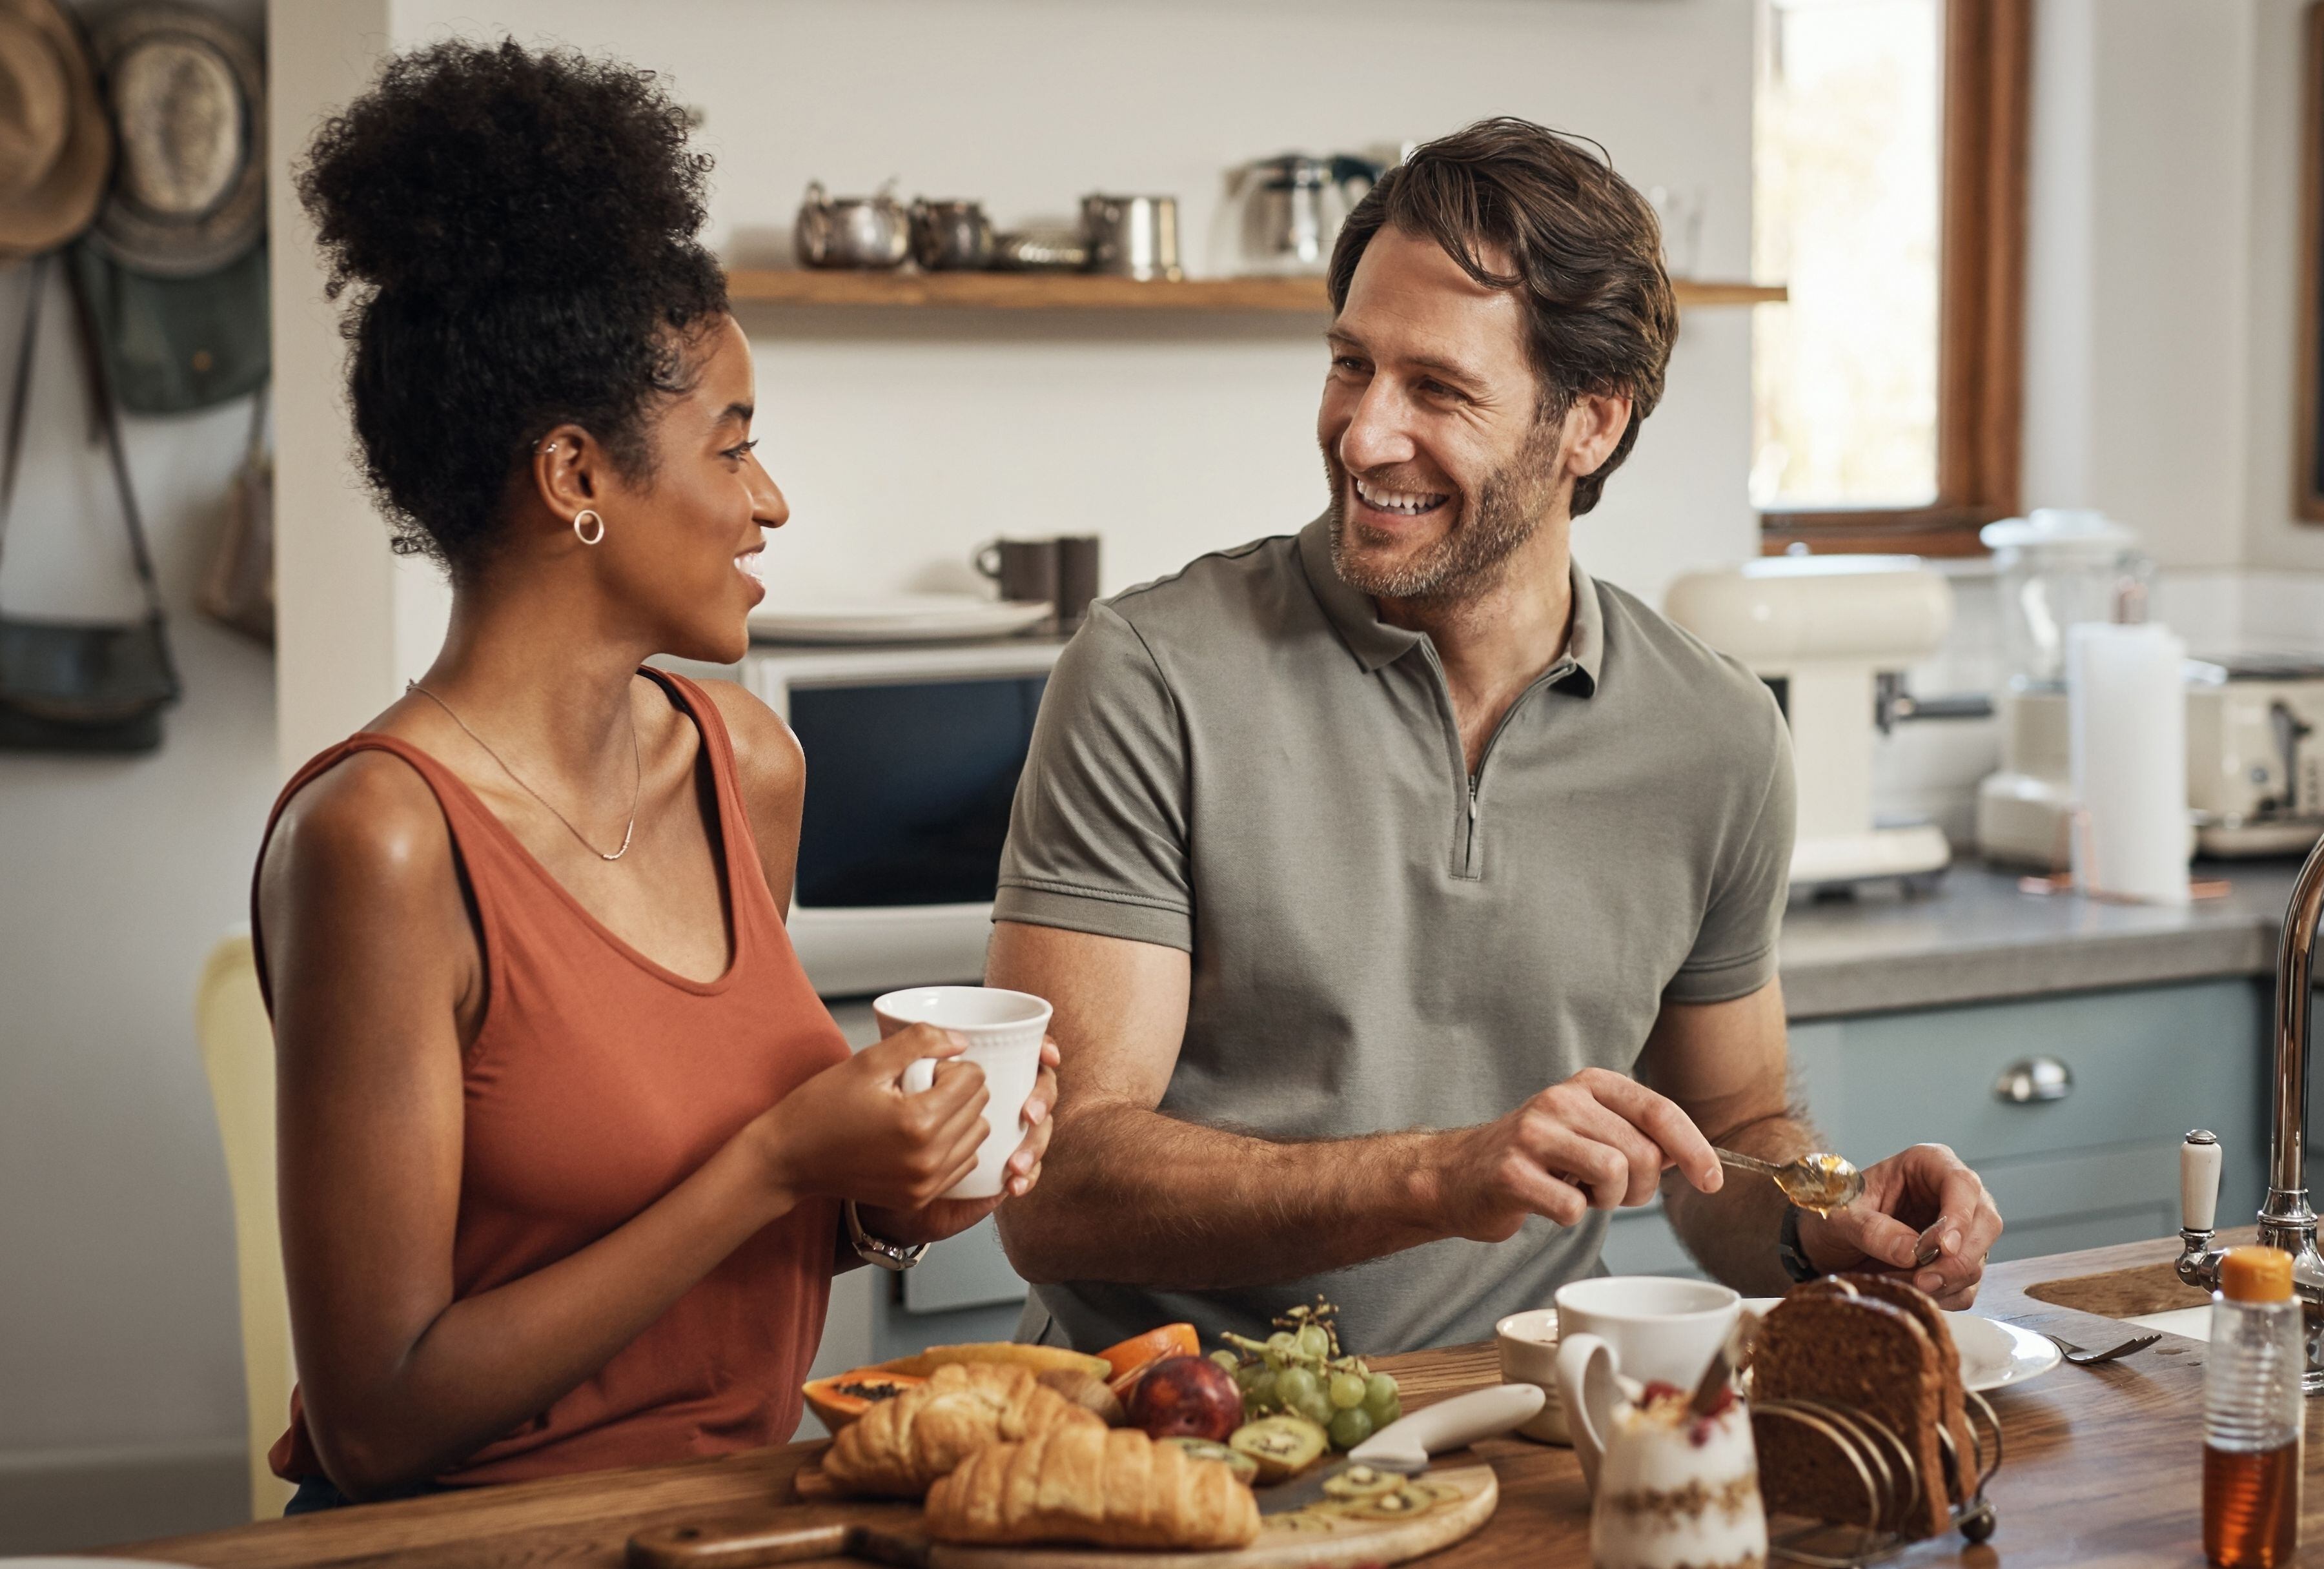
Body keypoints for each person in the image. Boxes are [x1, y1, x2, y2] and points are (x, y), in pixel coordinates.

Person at [986, 118, 2003, 1355]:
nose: (1364, 434)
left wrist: (1827, 1214)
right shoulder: (1152, 673)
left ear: (1591, 423)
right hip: (1162, 1440)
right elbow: (1060, 1184)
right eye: (1351, 364)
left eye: (1440, 389)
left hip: (1518, 1433)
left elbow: (1727, 1127)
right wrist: (1441, 1176)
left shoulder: (1718, 736)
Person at [253, 41, 1050, 1508]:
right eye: (732, 448)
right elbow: (376, 1420)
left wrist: (896, 1188)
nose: (769, 502)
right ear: (577, 480)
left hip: (744, 1522)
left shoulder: (747, 764)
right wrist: (775, 1160)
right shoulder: (378, 841)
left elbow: (771, 1241)